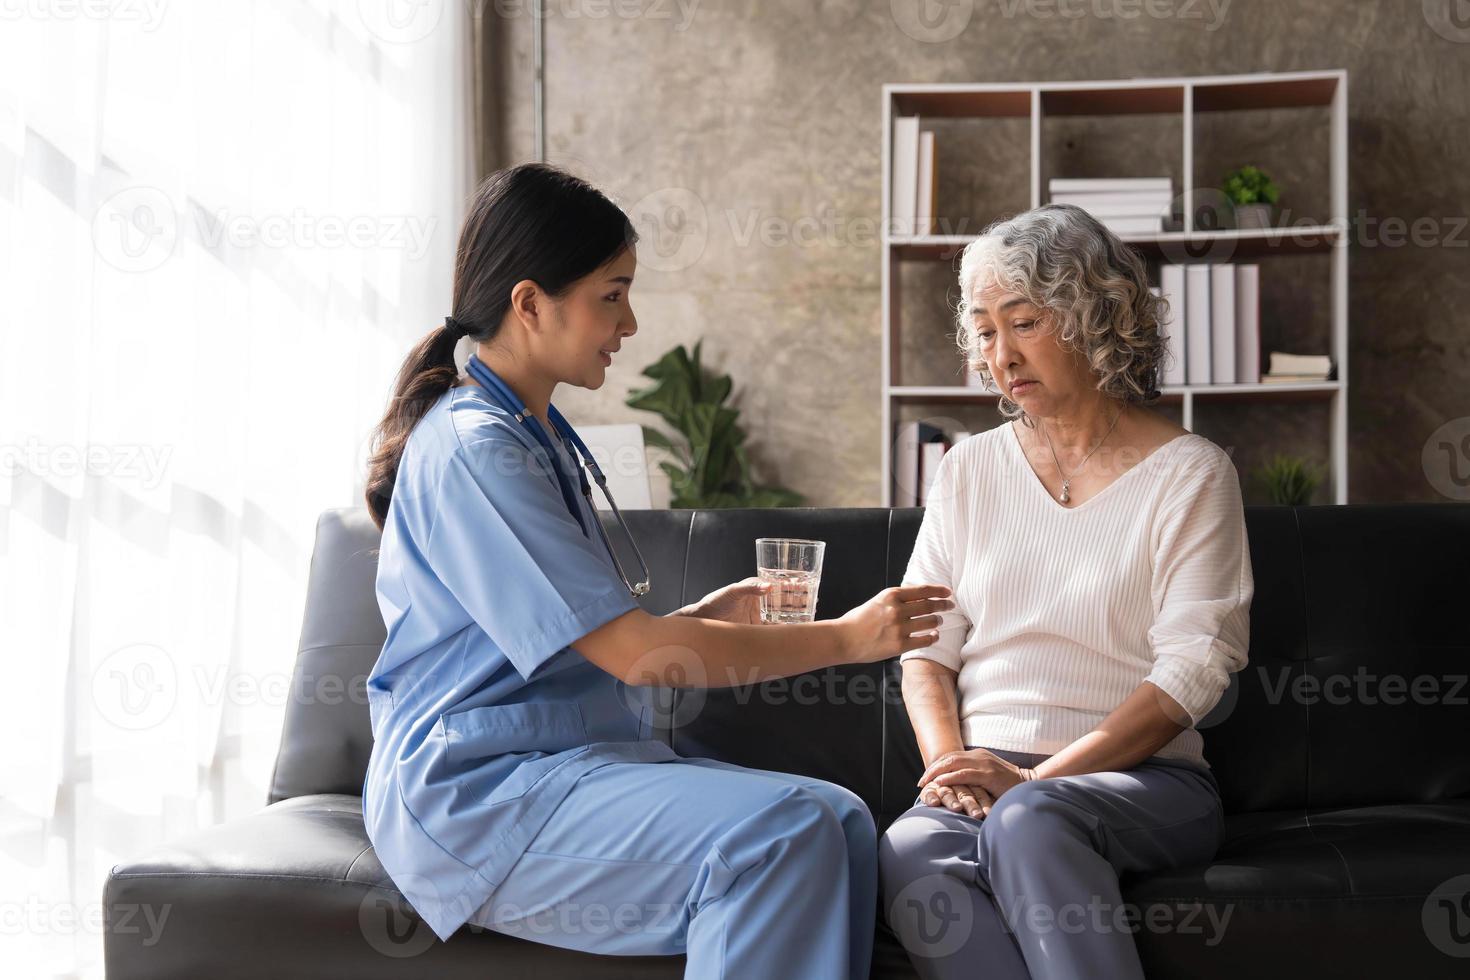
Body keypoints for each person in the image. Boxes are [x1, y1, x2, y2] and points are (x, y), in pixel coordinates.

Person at [360, 162, 952, 980]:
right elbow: (633, 654)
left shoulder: (532, 436)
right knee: (785, 833)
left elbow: (575, 637)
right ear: (530, 304)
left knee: (841, 818)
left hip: (559, 766)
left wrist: (706, 613)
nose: (630, 321)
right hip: (476, 796)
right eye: (612, 293)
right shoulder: (477, 449)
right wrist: (850, 639)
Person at [878, 204, 1254, 980]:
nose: (1000, 354)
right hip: (993, 770)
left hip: (1146, 778)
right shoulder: (968, 470)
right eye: (984, 331)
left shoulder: (1192, 472)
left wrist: (1026, 784)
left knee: (1031, 820)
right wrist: (953, 771)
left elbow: (1191, 674)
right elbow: (923, 650)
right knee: (912, 847)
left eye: (1023, 322)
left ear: (1096, 318)